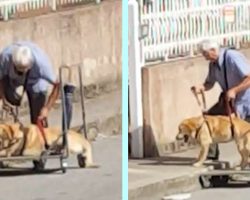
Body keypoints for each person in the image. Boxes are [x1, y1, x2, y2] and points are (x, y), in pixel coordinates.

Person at [191, 39, 250, 160]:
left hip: (246, 100)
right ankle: (211, 156)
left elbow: (248, 78)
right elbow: (209, 83)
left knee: (246, 135)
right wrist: (201, 87)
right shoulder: (213, 64)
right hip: (229, 100)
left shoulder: (232, 57)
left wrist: (234, 90)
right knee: (208, 119)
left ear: (213, 50)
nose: (205, 58)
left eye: (205, 54)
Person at [0, 41, 60, 125]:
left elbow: (57, 84)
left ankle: (41, 132)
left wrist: (47, 108)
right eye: (17, 69)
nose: (20, 73)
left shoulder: (42, 65)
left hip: (36, 82)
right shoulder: (5, 56)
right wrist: (4, 98)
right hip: (12, 79)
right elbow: (1, 78)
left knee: (38, 118)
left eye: (22, 71)